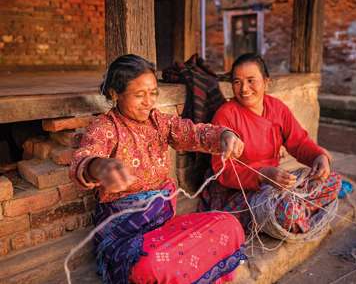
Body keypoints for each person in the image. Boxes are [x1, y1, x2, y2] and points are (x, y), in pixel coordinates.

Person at [70, 54, 247, 284]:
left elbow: (193, 132)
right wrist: (98, 166)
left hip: (165, 229)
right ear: (115, 94)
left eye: (153, 93)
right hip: (130, 241)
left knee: (230, 225)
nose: (148, 102)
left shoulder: (159, 122)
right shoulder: (104, 128)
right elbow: (83, 157)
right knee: (151, 265)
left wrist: (224, 135)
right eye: (139, 95)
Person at [199, 53, 341, 235]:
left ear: (266, 82)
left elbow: (299, 142)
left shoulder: (277, 108)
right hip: (242, 191)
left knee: (332, 180)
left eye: (251, 80)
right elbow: (223, 171)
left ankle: (295, 213)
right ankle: (296, 214)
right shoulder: (226, 115)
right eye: (237, 82)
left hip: (275, 184)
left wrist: (318, 156)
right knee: (287, 211)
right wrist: (262, 175)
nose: (244, 89)